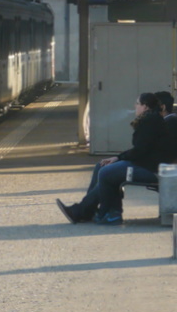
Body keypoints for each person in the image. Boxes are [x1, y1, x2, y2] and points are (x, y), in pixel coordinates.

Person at [57, 92, 170, 226]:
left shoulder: (149, 122)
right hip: (148, 165)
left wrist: (118, 158)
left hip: (151, 169)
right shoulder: (151, 120)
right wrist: (118, 158)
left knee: (107, 172)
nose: (135, 106)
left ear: (145, 107)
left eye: (137, 104)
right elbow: (141, 149)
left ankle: (108, 213)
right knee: (102, 167)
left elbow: (140, 151)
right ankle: (88, 210)